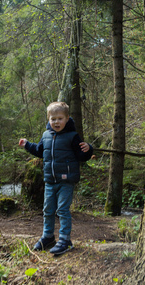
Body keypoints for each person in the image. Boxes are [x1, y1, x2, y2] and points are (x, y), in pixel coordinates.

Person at [19, 102, 93, 255]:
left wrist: (88, 149)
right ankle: (48, 237)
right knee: (48, 209)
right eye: (53, 119)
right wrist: (27, 144)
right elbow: (39, 151)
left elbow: (81, 155)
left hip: (66, 181)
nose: (56, 122)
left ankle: (65, 240)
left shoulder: (72, 136)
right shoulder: (46, 135)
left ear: (67, 119)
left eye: (60, 119)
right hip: (49, 181)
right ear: (49, 119)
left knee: (62, 209)